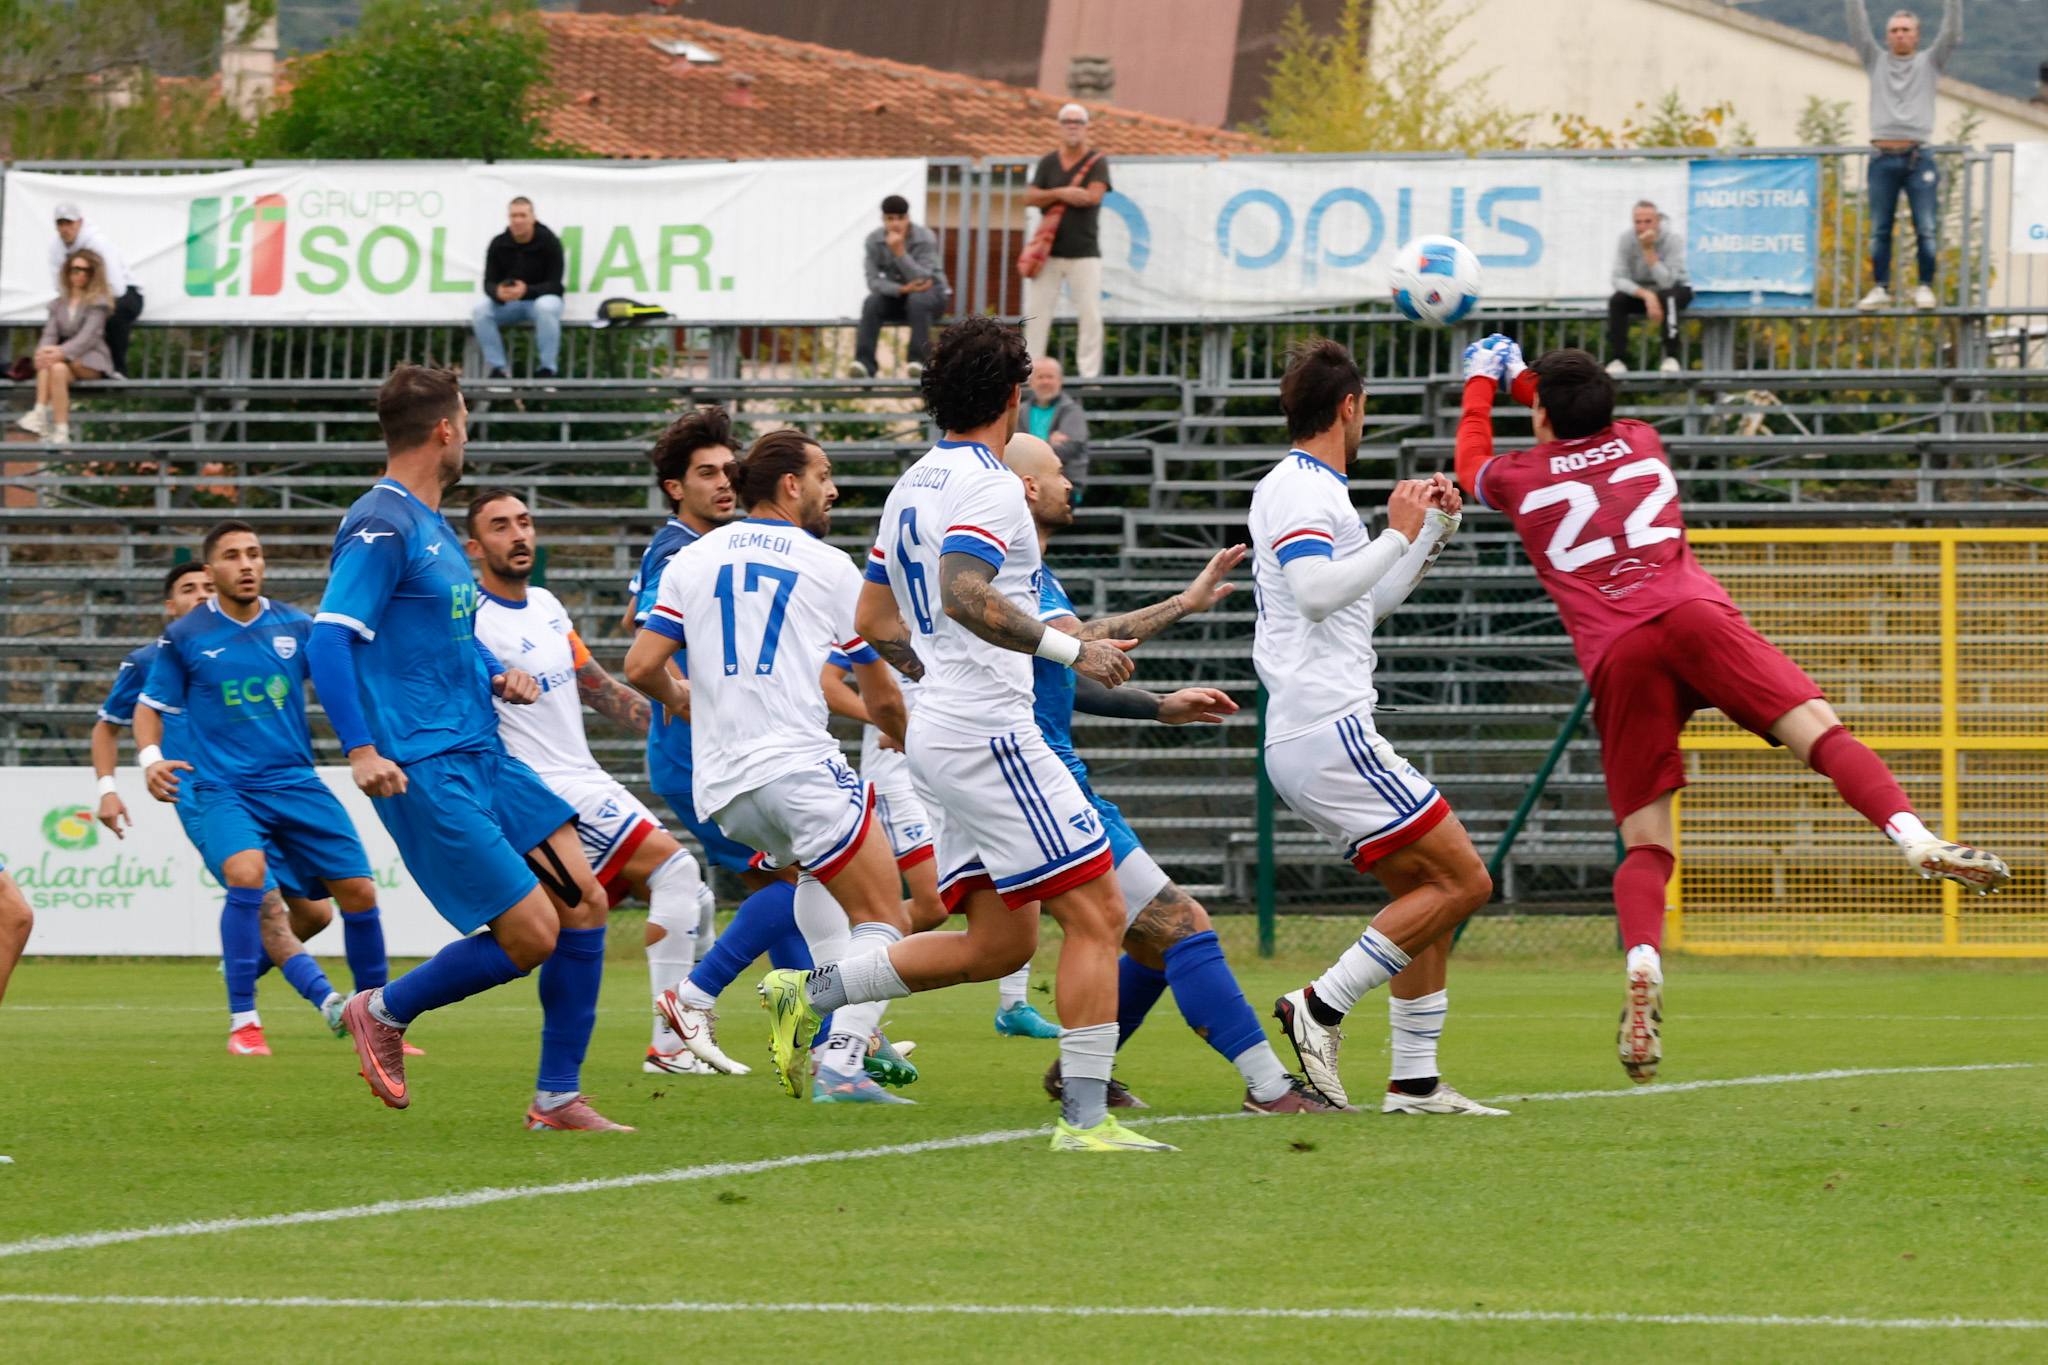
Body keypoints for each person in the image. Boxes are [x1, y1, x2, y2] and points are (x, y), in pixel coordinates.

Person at [1456, 335, 2010, 1082]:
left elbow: (1472, 462)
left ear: (1543, 417)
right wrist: (1525, 375)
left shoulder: (1520, 477)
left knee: (1647, 841)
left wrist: (1482, 382)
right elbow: (1578, 413)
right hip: (1693, 616)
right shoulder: (1640, 439)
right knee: (1821, 735)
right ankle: (1914, 837)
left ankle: (1643, 958)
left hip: (1620, 651)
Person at [769, 315, 1175, 1153]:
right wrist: (1074, 650)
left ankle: (808, 992)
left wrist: (938, 678)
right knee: (1100, 911)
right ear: (1014, 395)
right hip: (990, 731)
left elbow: (873, 617)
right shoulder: (991, 485)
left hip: (941, 731)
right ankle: (1086, 1122)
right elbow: (962, 590)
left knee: (999, 943)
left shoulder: (911, 483)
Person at [308, 365, 627, 1132]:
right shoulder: (381, 523)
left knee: (585, 904)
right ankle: (382, 1010)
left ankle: (556, 1099)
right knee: (532, 934)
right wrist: (360, 749)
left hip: (484, 752)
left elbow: (445, 634)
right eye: (466, 422)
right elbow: (328, 639)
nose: (468, 436)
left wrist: (494, 672)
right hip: (425, 764)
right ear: (445, 429)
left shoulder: (433, 526)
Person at [1005, 433, 1337, 1114]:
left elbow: (1066, 673)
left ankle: (1080, 1073)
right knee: (1177, 923)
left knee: (1142, 939)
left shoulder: (1029, 572)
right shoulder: (1016, 572)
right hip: (1035, 780)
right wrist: (1183, 603)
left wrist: (1158, 706)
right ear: (1029, 487)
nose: (1071, 483)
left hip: (1034, 776)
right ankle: (1269, 1087)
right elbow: (1081, 642)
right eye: (1059, 472)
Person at [624, 430, 917, 1105]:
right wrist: (909, 740)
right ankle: (833, 1053)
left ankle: (825, 1028)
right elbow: (881, 693)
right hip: (795, 765)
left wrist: (681, 698)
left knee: (816, 881)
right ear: (790, 484)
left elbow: (640, 666)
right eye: (824, 474)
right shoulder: (828, 564)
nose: (832, 490)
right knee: (886, 917)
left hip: (724, 786)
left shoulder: (693, 558)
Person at [1253, 338, 1505, 1117]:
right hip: (1326, 727)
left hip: (1312, 731)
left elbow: (1359, 603)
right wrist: (1396, 532)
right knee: (1467, 881)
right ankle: (1319, 1005)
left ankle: (1415, 1081)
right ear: (1349, 406)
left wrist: (1430, 534)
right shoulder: (1303, 490)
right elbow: (1316, 591)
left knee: (1430, 894)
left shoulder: (1311, 488)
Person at [466, 488, 731, 1078]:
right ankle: (670, 1046)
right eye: (500, 526)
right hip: (541, 786)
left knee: (694, 899)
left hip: (585, 774)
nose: (518, 534)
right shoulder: (471, 621)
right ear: (474, 547)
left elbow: (599, 688)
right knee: (676, 872)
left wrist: (687, 715)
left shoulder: (546, 604)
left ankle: (674, 1033)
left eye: (524, 522)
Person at [134, 522, 395, 1056]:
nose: (247, 564)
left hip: (294, 781)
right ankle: (245, 1023)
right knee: (246, 873)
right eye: (232, 556)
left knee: (359, 893)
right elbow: (148, 709)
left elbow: (342, 680)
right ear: (212, 571)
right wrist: (150, 760)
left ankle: (379, 1021)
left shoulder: (296, 625)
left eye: (254, 554)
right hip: (224, 787)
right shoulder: (185, 636)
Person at [823, 638, 1051, 1041]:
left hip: (950, 769)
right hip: (897, 779)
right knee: (928, 905)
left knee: (1014, 878)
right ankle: (835, 988)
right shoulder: (881, 621)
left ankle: (1013, 1003)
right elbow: (828, 683)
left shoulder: (955, 626)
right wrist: (892, 721)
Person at [1846, 1, 1961, 311]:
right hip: (1882, 156)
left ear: (1917, 36)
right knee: (1879, 229)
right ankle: (1880, 287)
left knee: (1926, 227)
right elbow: (1857, 27)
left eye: (1906, 30)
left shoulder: (1929, 63)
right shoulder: (1875, 61)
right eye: (1894, 30)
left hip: (1918, 156)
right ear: (1887, 37)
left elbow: (1951, 34)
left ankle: (1924, 286)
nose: (1900, 35)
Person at [1022, 103, 1111, 380]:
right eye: (1067, 121)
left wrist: (1050, 195)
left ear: (1086, 127)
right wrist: (1062, 192)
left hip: (1084, 251)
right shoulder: (1048, 162)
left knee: (1090, 314)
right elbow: (1029, 197)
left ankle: (1089, 375)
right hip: (1048, 253)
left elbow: (1092, 196)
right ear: (1059, 127)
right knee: (1037, 314)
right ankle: (1031, 373)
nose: (1073, 126)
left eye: (1078, 121)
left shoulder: (1097, 161)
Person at [15, 249, 113, 446]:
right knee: (54, 366)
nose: (80, 274)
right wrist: (42, 352)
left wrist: (59, 352)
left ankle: (41, 415)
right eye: (75, 269)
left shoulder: (98, 303)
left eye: (86, 271)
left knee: (53, 361)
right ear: (67, 272)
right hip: (65, 361)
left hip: (91, 358)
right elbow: (49, 333)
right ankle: (56, 427)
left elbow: (88, 337)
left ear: (93, 275)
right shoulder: (58, 304)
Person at [851, 194, 949, 380]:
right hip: (900, 296)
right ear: (883, 219)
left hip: (932, 295)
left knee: (917, 300)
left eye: (900, 218)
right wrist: (901, 290)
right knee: (872, 302)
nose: (895, 223)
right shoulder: (873, 240)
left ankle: (918, 362)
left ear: (908, 218)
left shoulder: (925, 237)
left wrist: (899, 252)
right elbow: (873, 281)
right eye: (890, 218)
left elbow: (923, 279)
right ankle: (864, 364)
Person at [473, 197, 566, 379]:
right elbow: (488, 283)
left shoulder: (550, 241)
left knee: (546, 307)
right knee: (481, 312)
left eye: (522, 215)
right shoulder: (498, 243)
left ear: (533, 218)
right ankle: (499, 369)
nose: (517, 220)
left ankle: (547, 369)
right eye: (513, 216)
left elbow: (555, 285)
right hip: (510, 304)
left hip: (541, 300)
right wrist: (498, 292)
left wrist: (527, 291)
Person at [48, 202, 141, 376]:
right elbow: (60, 285)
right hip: (85, 297)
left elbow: (116, 287)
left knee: (113, 314)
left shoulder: (98, 243)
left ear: (80, 222)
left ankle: (117, 370)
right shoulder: (55, 248)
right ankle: (62, 363)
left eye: (69, 223)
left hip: (122, 293)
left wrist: (87, 304)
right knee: (64, 315)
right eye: (60, 224)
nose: (65, 228)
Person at [1606, 201, 1691, 377]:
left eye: (1648, 221)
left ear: (1657, 221)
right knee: (1617, 301)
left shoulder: (1673, 240)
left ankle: (1671, 357)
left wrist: (1649, 251)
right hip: (1644, 292)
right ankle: (1617, 359)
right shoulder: (1626, 239)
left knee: (1669, 296)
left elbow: (1667, 282)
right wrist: (1647, 296)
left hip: (1674, 288)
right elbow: (1618, 278)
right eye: (1638, 222)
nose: (1642, 227)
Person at [1019, 357, 1091, 496]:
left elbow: (1070, 448)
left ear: (1060, 381)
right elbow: (1015, 445)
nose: (1045, 381)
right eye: (1040, 377)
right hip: (1027, 485)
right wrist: (1049, 443)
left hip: (1065, 484)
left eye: (1050, 377)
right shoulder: (1021, 412)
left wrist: (1030, 451)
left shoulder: (1072, 410)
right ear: (1031, 382)